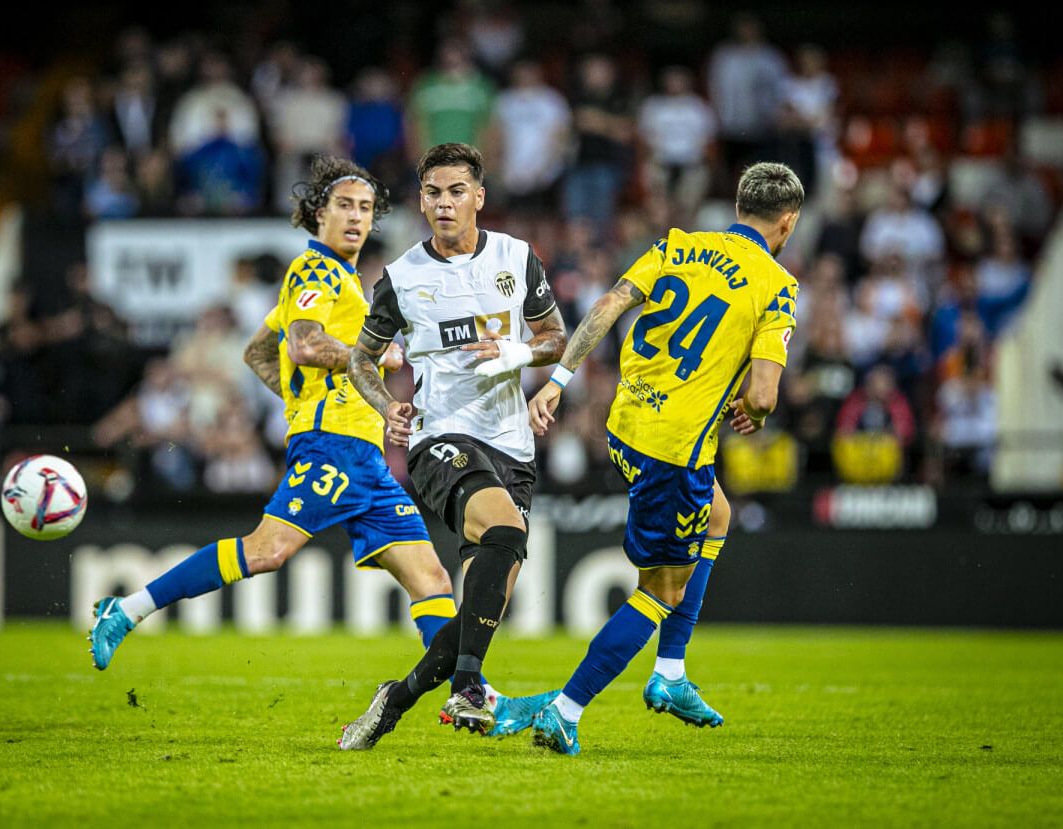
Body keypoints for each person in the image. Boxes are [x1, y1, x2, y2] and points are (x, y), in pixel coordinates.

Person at [89, 157, 462, 676]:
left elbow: (259, 352)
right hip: (334, 446)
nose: (356, 217)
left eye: (365, 208)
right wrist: (373, 354)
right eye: (344, 206)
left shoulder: (342, 279)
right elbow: (305, 345)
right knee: (266, 550)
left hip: (364, 456)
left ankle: (472, 694)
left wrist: (298, 401)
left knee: (432, 580)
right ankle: (126, 610)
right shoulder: (316, 269)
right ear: (317, 214)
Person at [526, 161, 805, 755]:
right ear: (788, 221)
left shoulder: (677, 246)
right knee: (662, 592)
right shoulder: (776, 284)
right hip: (674, 452)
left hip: (626, 425)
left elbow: (606, 305)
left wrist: (558, 381)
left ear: (736, 207)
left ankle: (671, 674)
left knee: (719, 517)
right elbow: (763, 394)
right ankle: (565, 709)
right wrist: (753, 414)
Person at [338, 143, 568, 749]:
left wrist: (514, 353)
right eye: (433, 193)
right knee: (506, 533)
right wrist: (386, 404)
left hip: (512, 446)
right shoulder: (401, 278)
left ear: (479, 198)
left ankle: (395, 700)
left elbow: (554, 338)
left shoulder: (516, 259)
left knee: (477, 618)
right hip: (441, 437)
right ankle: (470, 687)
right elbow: (362, 359)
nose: (444, 203)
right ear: (420, 200)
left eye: (456, 192)